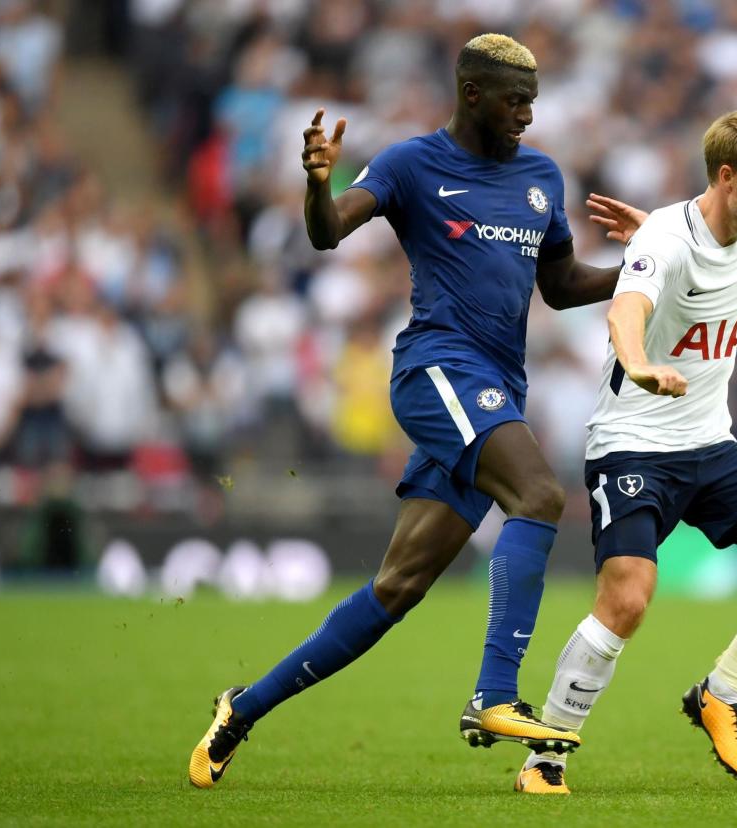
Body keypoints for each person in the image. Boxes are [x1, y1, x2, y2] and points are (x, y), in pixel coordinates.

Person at [189, 33, 645, 789]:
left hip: (496, 387)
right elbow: (328, 230)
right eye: (515, 100)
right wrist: (315, 184)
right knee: (539, 494)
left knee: (396, 589)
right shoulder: (412, 165)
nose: (528, 115)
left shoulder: (540, 177)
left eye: (534, 100)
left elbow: (560, 284)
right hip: (436, 370)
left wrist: (641, 264)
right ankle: (495, 694)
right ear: (472, 95)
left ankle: (239, 710)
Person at [513, 105, 737, 795]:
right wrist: (636, 361)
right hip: (633, 446)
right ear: (729, 178)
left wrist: (663, 231)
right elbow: (625, 308)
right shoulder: (665, 240)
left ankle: (720, 694)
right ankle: (545, 759)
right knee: (629, 599)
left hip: (710, 442)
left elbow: (695, 240)